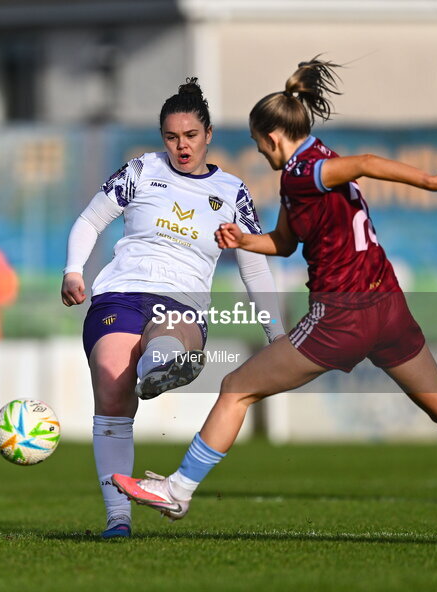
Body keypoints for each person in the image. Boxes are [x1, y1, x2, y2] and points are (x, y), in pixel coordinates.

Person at [111, 59, 437, 529]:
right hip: (388, 306)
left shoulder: (302, 171)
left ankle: (177, 491)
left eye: (262, 147)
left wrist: (432, 181)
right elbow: (284, 242)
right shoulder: (315, 157)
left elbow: (362, 163)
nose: (263, 156)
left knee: (236, 388)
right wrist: (243, 239)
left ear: (275, 137)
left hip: (342, 314)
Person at [61, 78, 284, 539]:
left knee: (167, 333)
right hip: (120, 291)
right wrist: (73, 270)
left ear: (208, 134)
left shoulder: (232, 192)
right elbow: (90, 220)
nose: (181, 146)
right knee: (110, 380)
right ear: (163, 137)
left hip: (182, 298)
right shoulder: (141, 171)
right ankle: (118, 517)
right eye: (171, 137)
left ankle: (159, 365)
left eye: (190, 136)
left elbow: (255, 270)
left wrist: (276, 334)